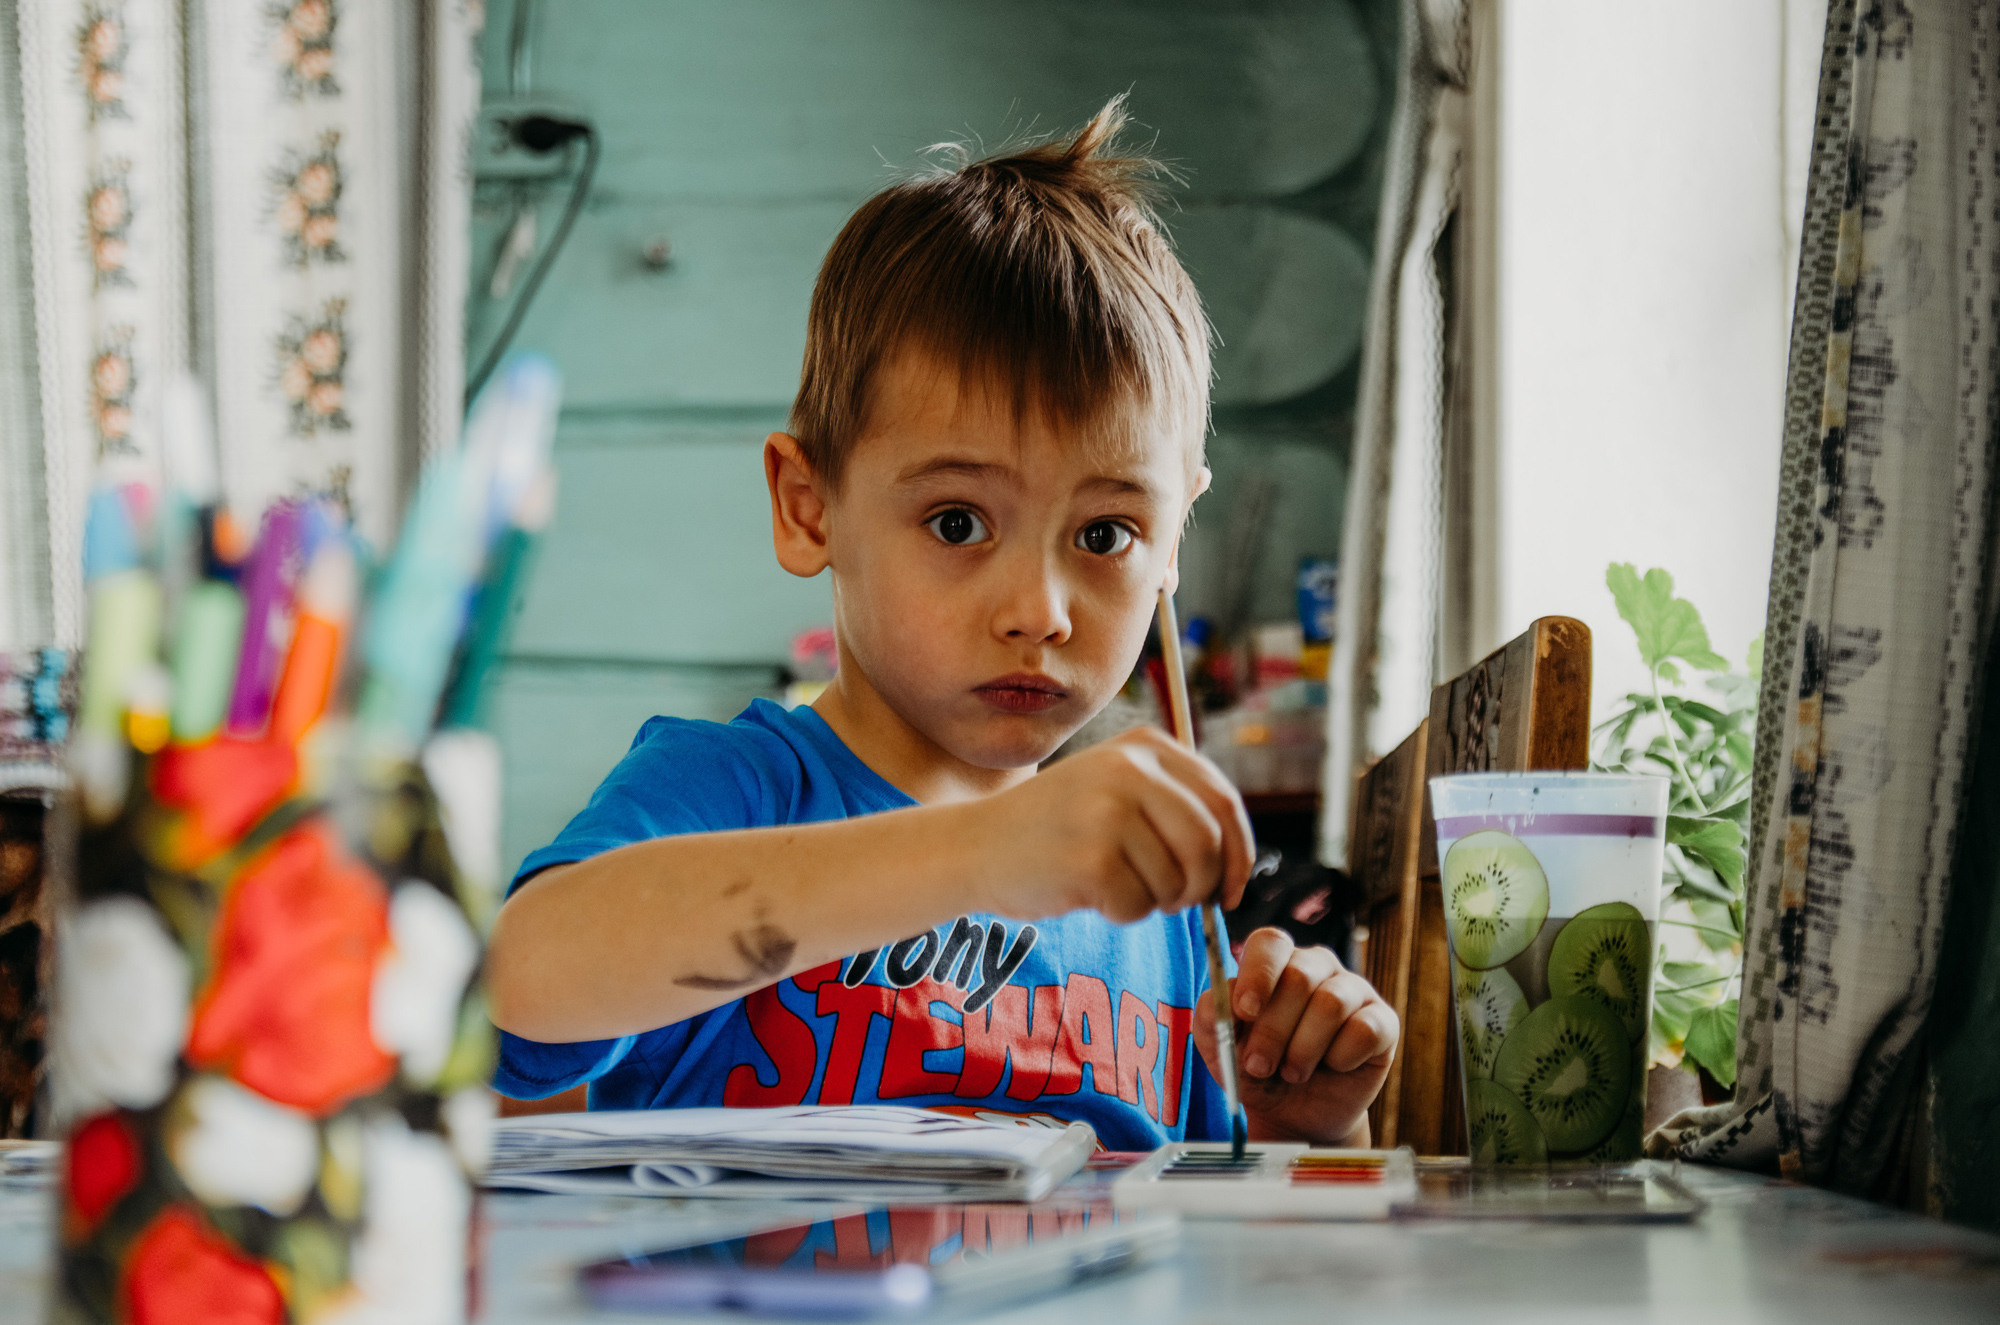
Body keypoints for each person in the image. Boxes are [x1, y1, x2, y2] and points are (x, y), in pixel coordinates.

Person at [485, 97, 1398, 1151]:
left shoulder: (1155, 910)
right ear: (807, 505)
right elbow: (518, 983)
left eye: (1105, 534)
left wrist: (1302, 1124)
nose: (1039, 611)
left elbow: (1209, 1235)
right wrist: (980, 849)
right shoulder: (734, 790)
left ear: (1173, 535)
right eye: (957, 520)